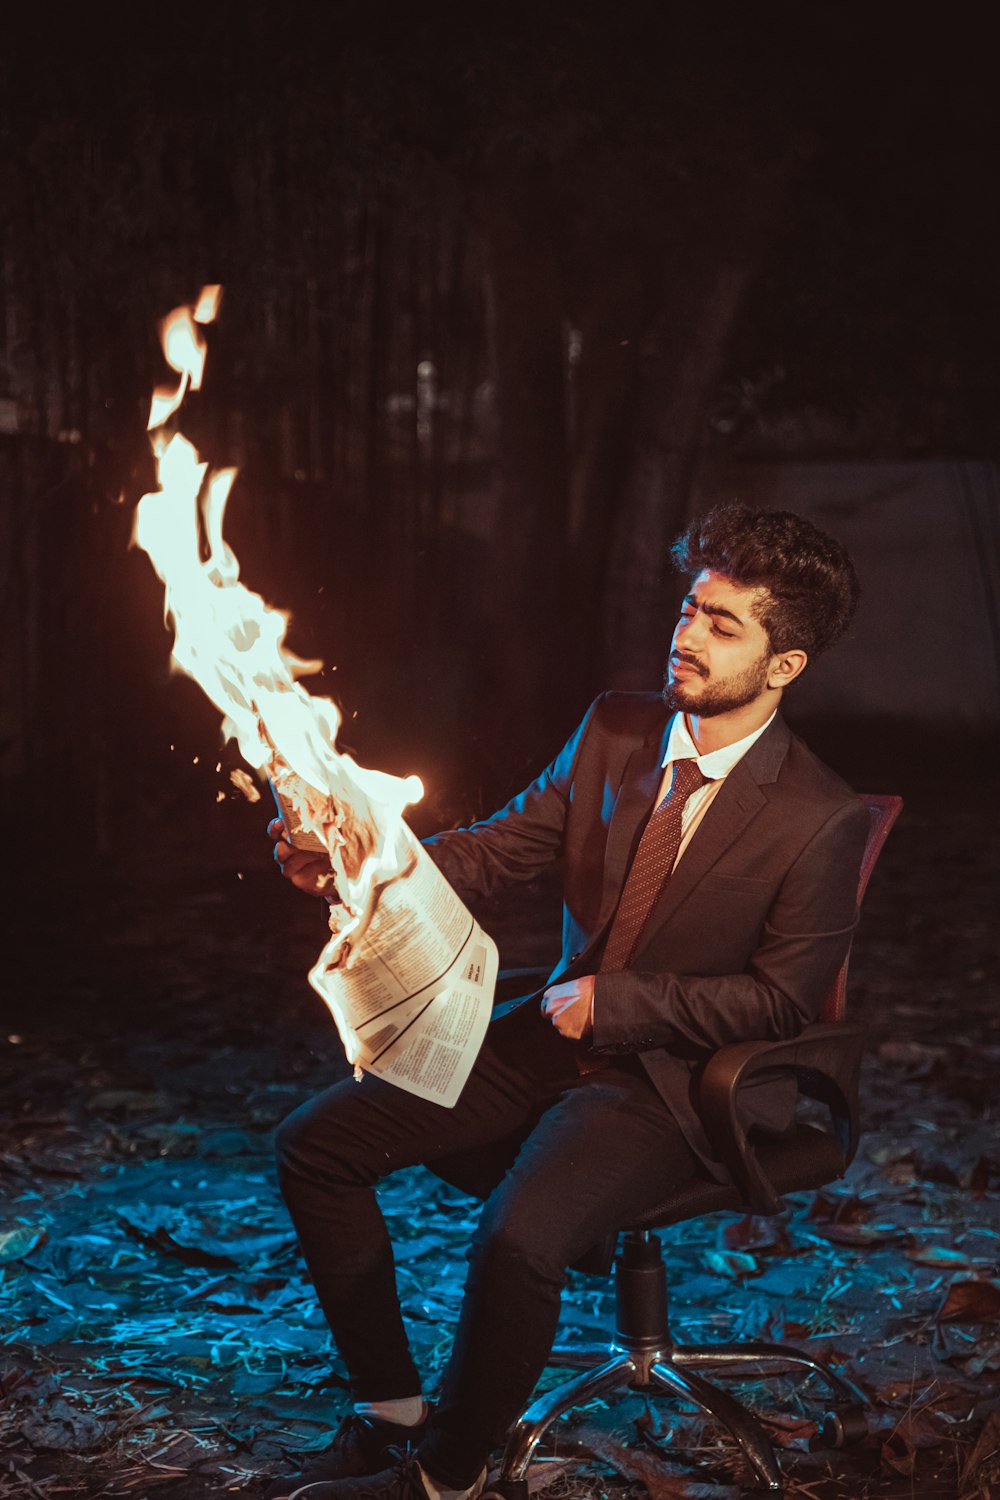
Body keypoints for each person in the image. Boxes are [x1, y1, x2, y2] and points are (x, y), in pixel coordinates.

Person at [263, 503, 869, 1500]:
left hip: (677, 1084)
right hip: (554, 1037)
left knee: (518, 1232)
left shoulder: (819, 816)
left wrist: (618, 1004)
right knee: (316, 1146)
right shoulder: (616, 728)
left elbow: (781, 1003)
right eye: (689, 609)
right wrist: (355, 861)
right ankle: (391, 1410)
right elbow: (502, 852)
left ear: (784, 666)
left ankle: (445, 1476)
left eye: (725, 626)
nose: (686, 635)